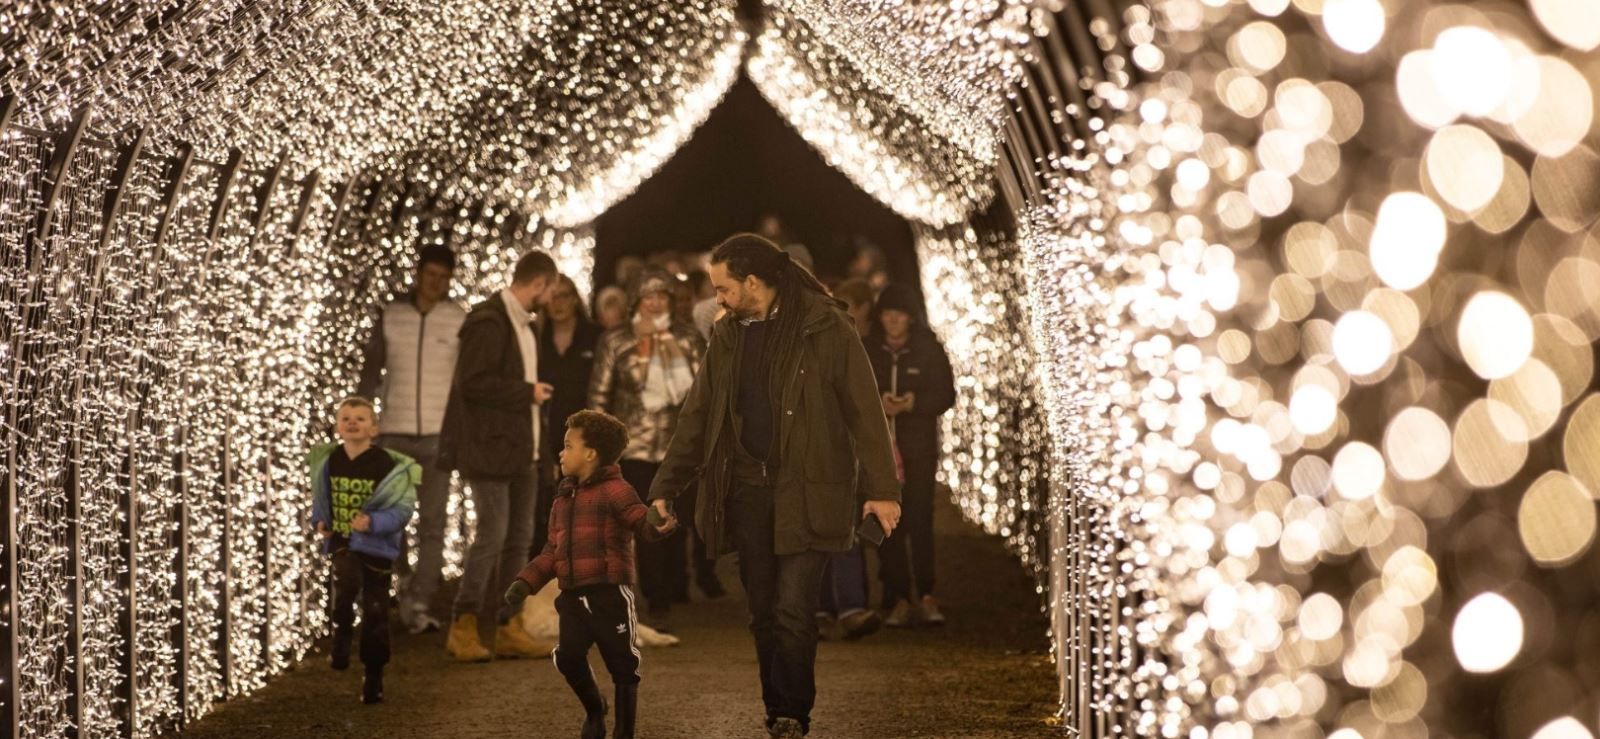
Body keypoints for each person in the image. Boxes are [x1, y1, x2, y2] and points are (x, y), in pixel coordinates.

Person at [647, 233, 902, 738]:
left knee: (792, 607)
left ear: (753, 282)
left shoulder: (825, 325)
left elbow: (864, 409)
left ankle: (791, 713)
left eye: (722, 287)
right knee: (763, 610)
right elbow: (698, 415)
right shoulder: (728, 334)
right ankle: (777, 708)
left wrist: (883, 490)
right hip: (747, 491)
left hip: (808, 487)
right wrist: (665, 486)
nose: (715, 298)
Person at [504, 410, 678, 739]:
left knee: (623, 666)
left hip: (609, 595)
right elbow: (551, 552)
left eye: (568, 446)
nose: (561, 452)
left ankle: (623, 732)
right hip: (571, 597)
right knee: (567, 657)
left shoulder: (616, 490)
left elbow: (641, 521)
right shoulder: (562, 499)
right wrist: (526, 581)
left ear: (590, 454)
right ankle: (595, 708)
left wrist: (658, 521)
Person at [437, 249, 559, 662]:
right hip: (490, 448)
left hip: (522, 448)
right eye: (550, 290)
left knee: (518, 538)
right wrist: (527, 393)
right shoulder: (489, 321)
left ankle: (510, 625)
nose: (551, 300)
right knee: (492, 534)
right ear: (539, 283)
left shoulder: (526, 325)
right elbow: (473, 382)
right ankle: (464, 623)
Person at [355, 244, 465, 634]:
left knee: (434, 522)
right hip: (394, 432)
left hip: (437, 435)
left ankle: (420, 600)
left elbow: (462, 381)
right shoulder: (392, 316)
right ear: (418, 274)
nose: (435, 283)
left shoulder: (457, 319)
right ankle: (399, 586)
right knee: (390, 519)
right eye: (429, 274)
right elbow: (371, 369)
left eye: (443, 277)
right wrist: (363, 416)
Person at [589, 268, 706, 629]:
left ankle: (669, 590)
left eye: (662, 296)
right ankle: (657, 600)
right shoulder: (616, 341)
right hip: (634, 449)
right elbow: (599, 396)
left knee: (675, 523)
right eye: (648, 297)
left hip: (678, 449)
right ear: (636, 301)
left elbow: (704, 392)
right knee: (647, 525)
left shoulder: (688, 339)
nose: (655, 304)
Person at [308, 396, 419, 704]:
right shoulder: (328, 462)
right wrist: (321, 521)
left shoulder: (389, 466)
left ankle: (373, 673)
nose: (352, 422)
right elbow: (321, 498)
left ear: (374, 429)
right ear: (337, 427)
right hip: (344, 544)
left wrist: (372, 522)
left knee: (376, 613)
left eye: (360, 418)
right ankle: (342, 629)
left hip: (378, 549)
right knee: (345, 585)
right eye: (346, 418)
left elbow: (403, 509)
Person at [866, 283, 956, 627]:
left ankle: (927, 593)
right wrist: (880, 403)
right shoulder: (869, 350)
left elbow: (946, 394)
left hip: (917, 447)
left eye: (898, 316)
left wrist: (914, 404)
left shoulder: (928, 350)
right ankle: (898, 595)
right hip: (881, 450)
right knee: (887, 522)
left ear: (909, 319)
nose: (892, 322)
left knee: (919, 519)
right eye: (887, 315)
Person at [814, 278, 882, 641]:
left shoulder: (846, 348)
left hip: (841, 453)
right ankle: (822, 608)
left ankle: (850, 606)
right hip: (811, 453)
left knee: (844, 532)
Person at [532, 274, 602, 556]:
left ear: (575, 299)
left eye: (564, 296)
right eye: (553, 297)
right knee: (546, 511)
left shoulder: (594, 337)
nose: (558, 303)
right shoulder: (536, 339)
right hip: (545, 436)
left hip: (586, 436)